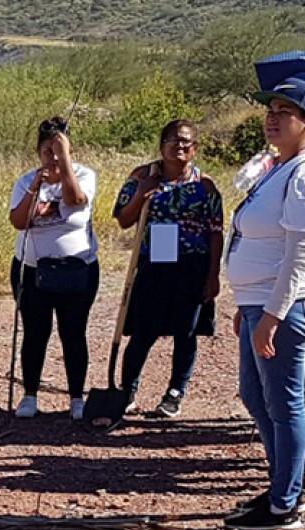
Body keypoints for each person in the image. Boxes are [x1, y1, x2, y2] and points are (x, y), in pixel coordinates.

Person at [224, 78, 305, 530]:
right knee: (256, 395)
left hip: (285, 307)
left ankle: (286, 501)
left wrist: (272, 313)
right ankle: (281, 485)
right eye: (270, 109)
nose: (273, 118)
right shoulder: (281, 167)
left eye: (285, 111)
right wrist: (249, 303)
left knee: (286, 403)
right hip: (260, 303)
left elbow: (300, 249)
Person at [113, 119, 223, 418]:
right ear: (161, 146)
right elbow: (124, 219)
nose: (180, 146)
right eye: (173, 140)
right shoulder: (142, 176)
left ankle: (175, 392)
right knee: (143, 331)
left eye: (186, 141)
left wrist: (213, 274)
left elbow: (215, 231)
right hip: (156, 260)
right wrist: (142, 194)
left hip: (192, 263)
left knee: (185, 332)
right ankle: (127, 390)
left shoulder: (205, 185)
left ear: (195, 149)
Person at [9, 116, 99, 421]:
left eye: (59, 151)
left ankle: (76, 398)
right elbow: (20, 221)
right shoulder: (25, 181)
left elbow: (74, 201)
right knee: (35, 332)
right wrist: (37, 184)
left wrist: (65, 166)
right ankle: (30, 395)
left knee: (73, 332)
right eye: (48, 151)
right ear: (38, 152)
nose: (53, 157)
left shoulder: (84, 175)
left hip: (77, 269)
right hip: (32, 269)